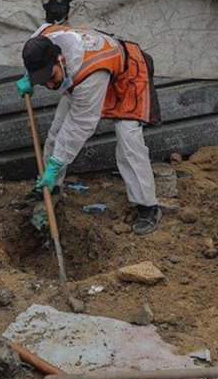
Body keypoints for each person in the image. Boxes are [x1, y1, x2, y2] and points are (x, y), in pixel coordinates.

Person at [17, 24, 161, 234]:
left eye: (51, 77)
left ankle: (148, 206)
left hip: (127, 75)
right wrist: (29, 78)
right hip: (84, 75)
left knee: (129, 142)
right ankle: (50, 187)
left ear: (61, 59)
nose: (49, 86)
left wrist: (56, 162)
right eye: (42, 81)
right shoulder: (43, 40)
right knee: (56, 132)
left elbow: (79, 125)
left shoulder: (88, 73)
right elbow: (39, 57)